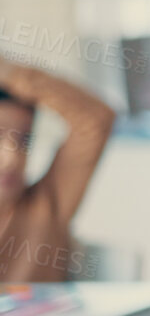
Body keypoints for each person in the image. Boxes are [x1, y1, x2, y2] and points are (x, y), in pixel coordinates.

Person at [0, 58, 115, 283]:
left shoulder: (47, 204)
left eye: (25, 140)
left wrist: (9, 71)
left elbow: (95, 120)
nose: (12, 158)